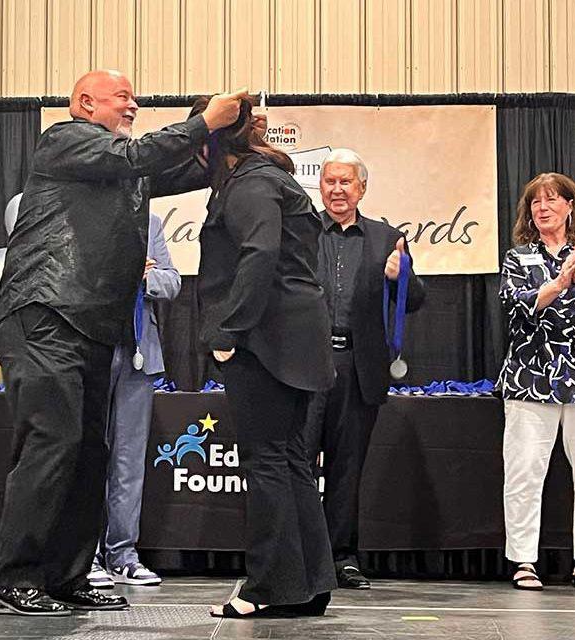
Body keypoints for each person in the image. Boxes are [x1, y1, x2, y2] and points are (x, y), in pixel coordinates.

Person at [0, 69, 244, 617]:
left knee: (87, 454)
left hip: (93, 325)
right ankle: (14, 576)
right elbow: (141, 154)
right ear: (84, 103)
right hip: (46, 315)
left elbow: (184, 166)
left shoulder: (122, 170)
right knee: (51, 444)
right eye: (122, 97)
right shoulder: (65, 139)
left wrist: (229, 132)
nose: (133, 105)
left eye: (134, 98)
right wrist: (204, 121)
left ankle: (67, 575)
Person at [192, 96, 336, 619]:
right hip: (295, 339)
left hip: (265, 342)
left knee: (268, 462)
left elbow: (260, 254)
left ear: (210, 146)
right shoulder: (272, 179)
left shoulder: (251, 184)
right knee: (291, 460)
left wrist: (229, 330)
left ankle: (268, 587)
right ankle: (309, 584)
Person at [305, 149, 425, 590]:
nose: (337, 190)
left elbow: (415, 300)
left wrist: (400, 276)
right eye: (330, 181)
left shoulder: (387, 238)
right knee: (297, 464)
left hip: (357, 367)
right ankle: (299, 556)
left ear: (362, 188)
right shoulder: (300, 229)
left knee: (347, 467)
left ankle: (342, 557)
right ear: (320, 186)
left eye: (346, 182)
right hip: (303, 365)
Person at [498, 173, 575, 592]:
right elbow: (516, 306)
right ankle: (523, 561)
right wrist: (558, 283)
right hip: (531, 377)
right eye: (535, 202)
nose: (542, 208)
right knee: (525, 471)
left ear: (570, 207)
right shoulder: (518, 257)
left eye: (551, 200)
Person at [87, 213, 180, 589]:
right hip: (92, 350)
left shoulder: (150, 223)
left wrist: (144, 277)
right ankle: (86, 555)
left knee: (129, 460)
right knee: (89, 455)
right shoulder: (84, 217)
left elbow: (171, 281)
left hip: (139, 353)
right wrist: (121, 269)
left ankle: (122, 555)